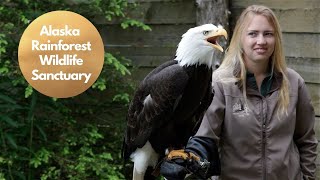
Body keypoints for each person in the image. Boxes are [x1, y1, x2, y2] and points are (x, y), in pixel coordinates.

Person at [160, 4, 318, 180]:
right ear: (240, 38)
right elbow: (205, 137)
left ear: (276, 39)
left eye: (268, 34)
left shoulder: (294, 83)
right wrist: (189, 160)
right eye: (252, 34)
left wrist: (307, 178)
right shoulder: (220, 84)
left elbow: (307, 141)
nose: (261, 41)